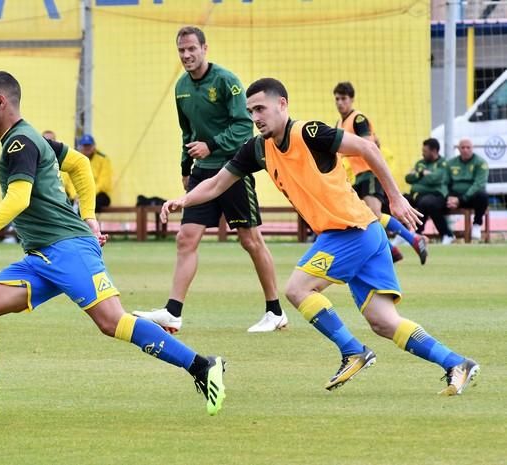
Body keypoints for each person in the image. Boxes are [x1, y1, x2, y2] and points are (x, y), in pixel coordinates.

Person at [0, 71, 226, 417]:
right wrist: (91, 218)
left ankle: (203, 367)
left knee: (112, 322)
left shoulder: (19, 143)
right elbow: (80, 164)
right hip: (42, 256)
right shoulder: (30, 139)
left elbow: (18, 198)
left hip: (67, 249)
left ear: (1, 102)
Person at [159, 77, 479, 395]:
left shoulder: (310, 133)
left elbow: (367, 147)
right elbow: (215, 184)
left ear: (282, 105)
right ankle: (455, 363)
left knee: (298, 288)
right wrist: (183, 200)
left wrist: (394, 197)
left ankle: (352, 351)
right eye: (250, 111)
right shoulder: (258, 149)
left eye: (261, 108)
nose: (255, 117)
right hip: (362, 233)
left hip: (350, 231)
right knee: (383, 321)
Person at [133, 26, 285, 334]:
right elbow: (187, 133)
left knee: (250, 240)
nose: (187, 55)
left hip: (232, 170)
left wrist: (211, 145)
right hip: (202, 172)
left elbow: (244, 126)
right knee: (185, 238)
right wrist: (186, 166)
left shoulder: (227, 81)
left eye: (192, 49)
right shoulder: (181, 88)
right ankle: (173, 312)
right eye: (181, 50)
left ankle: (275, 311)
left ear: (205, 48)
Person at [333, 82, 427, 264]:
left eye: (343, 98)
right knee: (363, 217)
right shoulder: (339, 123)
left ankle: (412, 240)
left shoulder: (359, 119)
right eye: (337, 99)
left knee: (373, 215)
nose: (340, 103)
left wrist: (341, 151)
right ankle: (393, 250)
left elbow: (367, 145)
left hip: (370, 172)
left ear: (351, 99)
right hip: (357, 176)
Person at [404, 138, 453, 245]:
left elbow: (435, 179)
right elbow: (408, 178)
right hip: (418, 195)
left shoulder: (443, 163)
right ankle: (404, 234)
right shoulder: (420, 163)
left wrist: (418, 177)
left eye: (425, 151)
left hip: (438, 195)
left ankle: (447, 234)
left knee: (427, 203)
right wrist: (422, 173)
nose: (423, 153)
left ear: (434, 151)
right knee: (402, 201)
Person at [446, 138, 489, 242]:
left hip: (470, 198)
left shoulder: (480, 162)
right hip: (454, 198)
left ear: (472, 148)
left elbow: (479, 184)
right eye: (462, 147)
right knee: (433, 201)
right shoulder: (451, 163)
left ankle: (477, 224)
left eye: (468, 147)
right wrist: (448, 197)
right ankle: (446, 233)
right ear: (459, 149)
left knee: (482, 195)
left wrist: (461, 199)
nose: (465, 150)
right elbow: (445, 182)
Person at [75, 134, 112, 213]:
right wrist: (74, 195)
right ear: (81, 147)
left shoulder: (103, 159)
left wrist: (88, 194)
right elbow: (69, 180)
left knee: (95, 203)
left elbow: (103, 182)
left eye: (89, 145)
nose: (87, 148)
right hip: (79, 195)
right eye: (85, 146)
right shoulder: (76, 159)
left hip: (97, 193)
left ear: (94, 146)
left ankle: (86, 224)